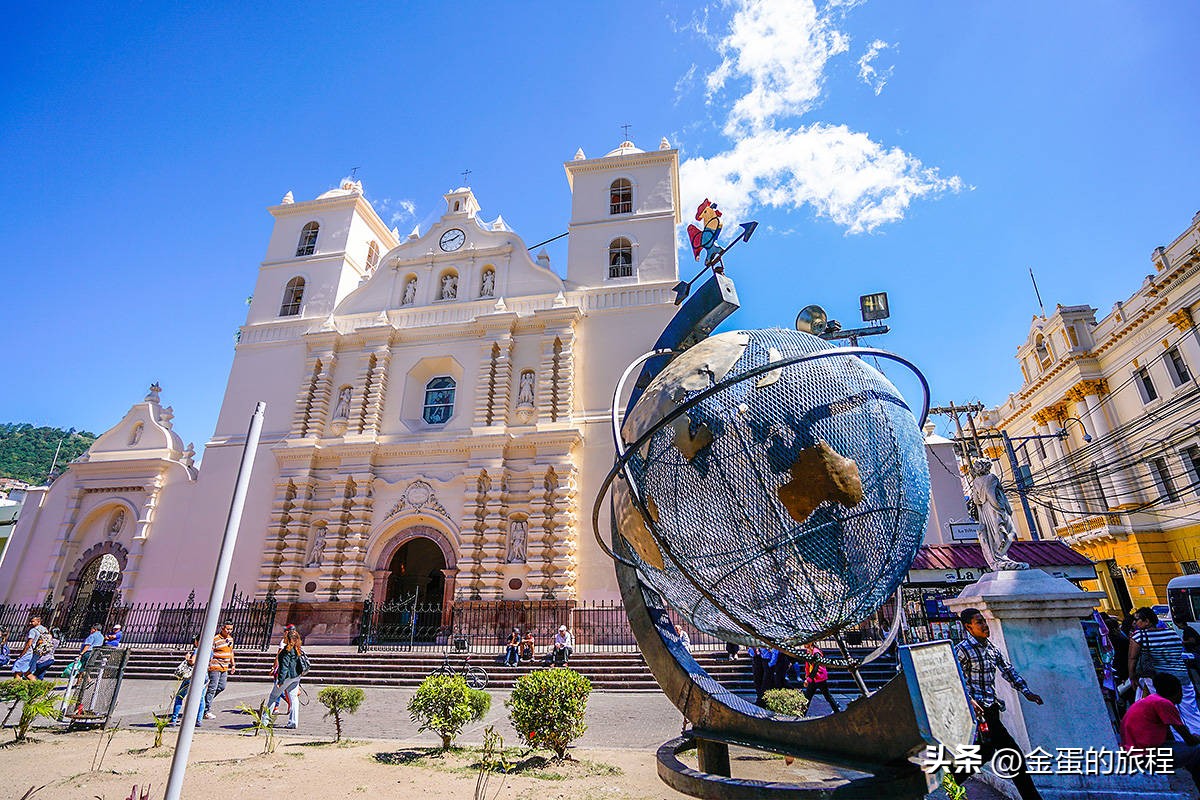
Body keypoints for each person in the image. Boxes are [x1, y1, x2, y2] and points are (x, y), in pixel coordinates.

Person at [953, 608, 1045, 800]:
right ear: (968, 627)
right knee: (1011, 754)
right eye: (979, 622)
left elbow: (1008, 670)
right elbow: (954, 678)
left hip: (991, 708)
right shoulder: (962, 650)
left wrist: (1026, 692)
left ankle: (951, 778)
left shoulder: (991, 648)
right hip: (977, 711)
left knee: (986, 752)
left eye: (984, 621)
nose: (985, 626)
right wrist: (969, 700)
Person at [1121, 672, 1200, 789]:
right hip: (1145, 757)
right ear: (1177, 691)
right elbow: (1188, 738)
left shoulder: (1151, 700)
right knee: (1198, 751)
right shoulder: (1164, 704)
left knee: (1186, 751)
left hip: (1135, 752)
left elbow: (1169, 735)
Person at [1128, 607, 1200, 730]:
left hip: (1158, 679)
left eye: (1137, 619)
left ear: (1147, 621)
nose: (1135, 623)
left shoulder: (1139, 635)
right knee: (1190, 709)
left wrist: (1132, 676)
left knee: (1169, 713)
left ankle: (1183, 742)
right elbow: (1178, 652)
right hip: (1181, 676)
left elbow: (1132, 658)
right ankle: (1197, 735)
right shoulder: (1171, 633)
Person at [198, 623, 236, 726]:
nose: (229, 631)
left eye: (231, 629)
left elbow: (231, 651)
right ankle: (206, 710)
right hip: (215, 666)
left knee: (222, 686)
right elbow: (210, 651)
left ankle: (204, 702)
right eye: (228, 629)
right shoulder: (215, 639)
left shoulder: (230, 639)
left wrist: (233, 664)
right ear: (222, 628)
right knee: (212, 688)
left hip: (225, 667)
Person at [267, 629, 304, 729]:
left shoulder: (285, 652)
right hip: (296, 677)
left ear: (288, 639)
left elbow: (284, 667)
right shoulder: (298, 649)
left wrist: (280, 681)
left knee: (273, 697)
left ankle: (264, 721)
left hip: (287, 677)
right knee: (294, 698)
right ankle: (293, 722)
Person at [801, 642, 841, 713]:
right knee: (807, 697)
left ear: (811, 643)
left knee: (827, 696)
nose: (804, 644)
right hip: (813, 678)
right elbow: (807, 664)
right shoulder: (808, 652)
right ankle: (801, 714)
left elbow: (816, 667)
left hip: (820, 678)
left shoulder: (816, 653)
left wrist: (808, 679)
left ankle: (837, 710)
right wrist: (807, 675)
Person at [169, 637, 201, 725]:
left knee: (180, 696)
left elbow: (192, 661)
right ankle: (198, 719)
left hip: (192, 676)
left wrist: (187, 659)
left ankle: (174, 719)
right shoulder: (210, 651)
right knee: (200, 698)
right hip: (203, 676)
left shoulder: (198, 650)